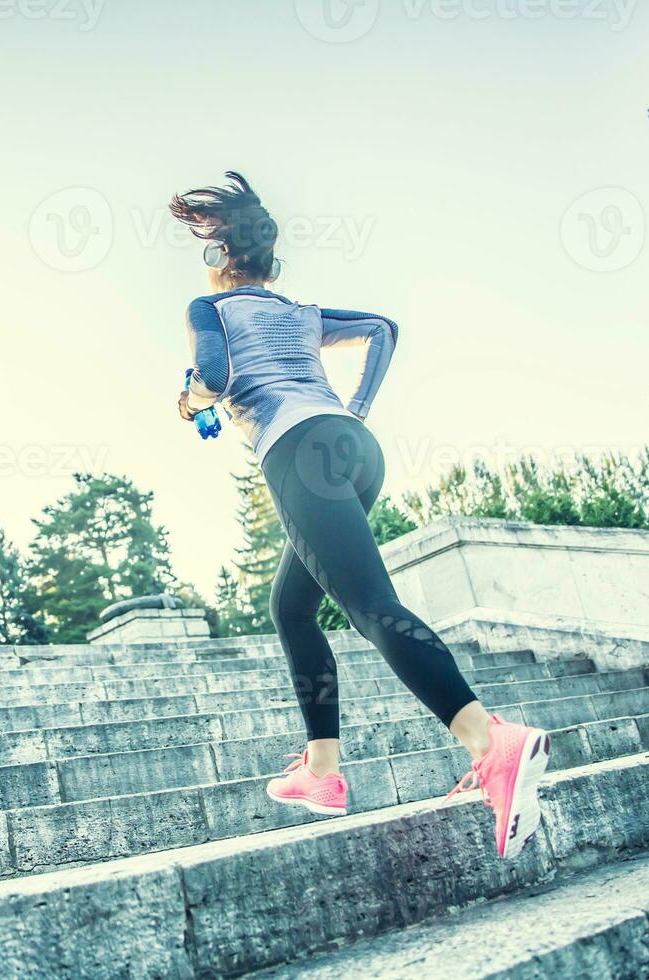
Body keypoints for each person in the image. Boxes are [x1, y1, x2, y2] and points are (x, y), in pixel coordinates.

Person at [170, 172, 550, 859]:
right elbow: (381, 328)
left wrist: (191, 400)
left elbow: (218, 378)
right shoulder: (301, 312)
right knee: (290, 605)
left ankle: (491, 742)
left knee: (371, 604)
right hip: (353, 448)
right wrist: (358, 408)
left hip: (297, 451)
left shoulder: (210, 309)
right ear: (269, 259)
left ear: (218, 256)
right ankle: (322, 772)